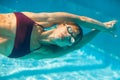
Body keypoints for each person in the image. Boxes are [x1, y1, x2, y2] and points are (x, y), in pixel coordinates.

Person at [0, 12, 117, 59]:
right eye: (69, 30)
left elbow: (77, 45)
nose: (68, 36)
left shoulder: (45, 52)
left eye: (71, 39)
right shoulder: (37, 21)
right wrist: (104, 27)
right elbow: (81, 19)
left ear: (66, 45)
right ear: (62, 24)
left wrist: (98, 31)